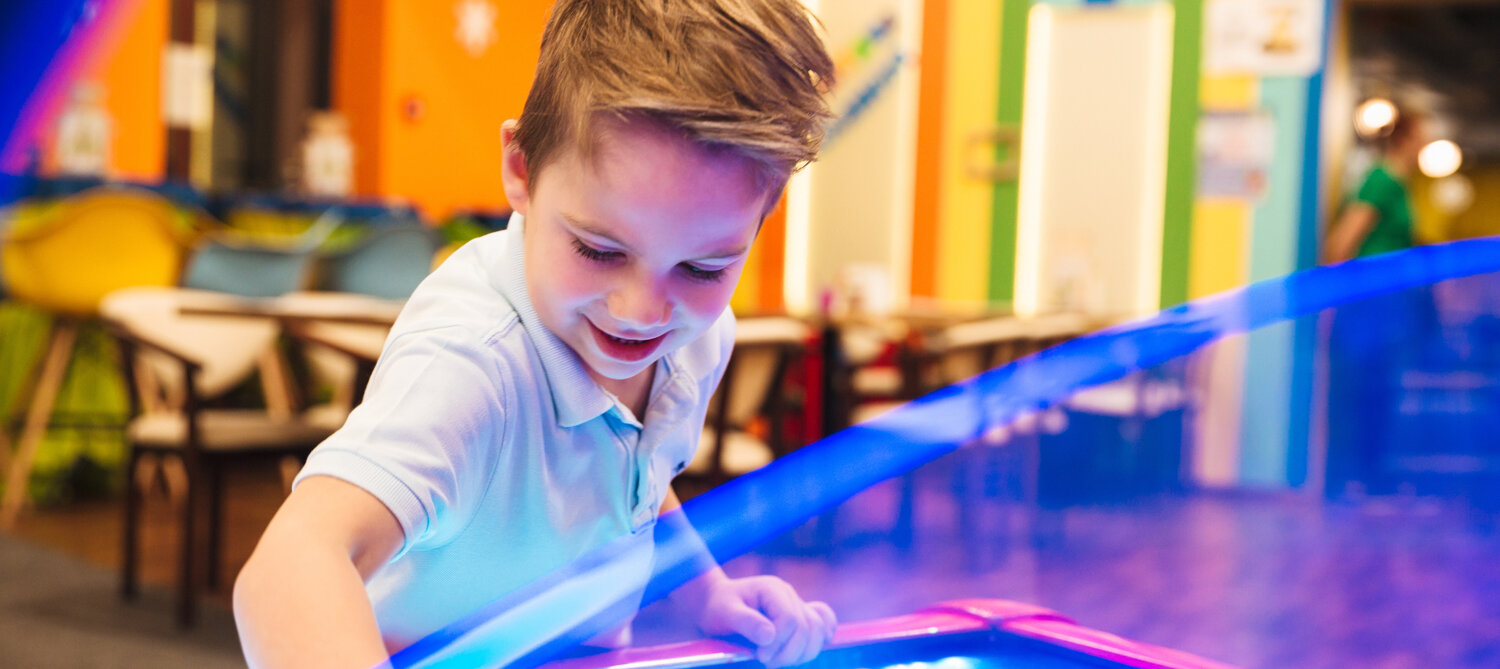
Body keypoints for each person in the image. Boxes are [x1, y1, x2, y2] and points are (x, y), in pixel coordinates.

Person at [232, 1, 838, 666]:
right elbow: (289, 567)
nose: (641, 311)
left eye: (701, 266)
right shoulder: (472, 366)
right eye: (599, 250)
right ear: (521, 170)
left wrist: (706, 591)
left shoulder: (697, 336)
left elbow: (633, 478)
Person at [1322, 109, 1429, 498]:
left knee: (1380, 390)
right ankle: (1350, 479)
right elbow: (1341, 244)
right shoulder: (1380, 180)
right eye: (1423, 134)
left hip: (1389, 306)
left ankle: (1371, 476)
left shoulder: (1400, 186)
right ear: (1404, 138)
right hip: (1368, 306)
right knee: (1360, 391)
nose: (1426, 143)